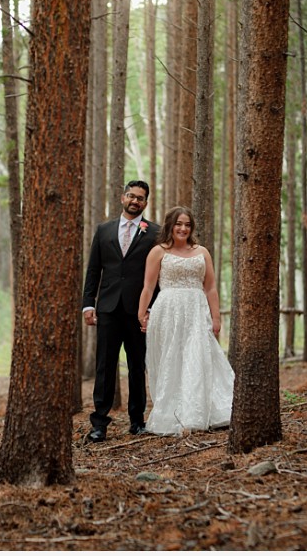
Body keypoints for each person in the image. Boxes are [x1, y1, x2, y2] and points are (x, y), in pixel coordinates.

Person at [137, 206, 234, 435]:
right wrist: (142, 314)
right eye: (179, 224)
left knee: (197, 356)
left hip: (196, 311)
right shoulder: (158, 252)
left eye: (187, 225)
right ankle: (173, 414)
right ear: (170, 226)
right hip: (168, 310)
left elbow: (210, 287)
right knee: (173, 359)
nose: (183, 228)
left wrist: (216, 317)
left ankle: (199, 412)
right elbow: (148, 286)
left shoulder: (202, 252)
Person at [82, 180, 161, 442]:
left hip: (138, 311)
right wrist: (88, 303)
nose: (135, 201)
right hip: (108, 309)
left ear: (146, 203)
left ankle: (137, 421)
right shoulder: (104, 231)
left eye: (140, 198)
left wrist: (151, 309)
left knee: (137, 366)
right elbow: (94, 270)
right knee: (105, 365)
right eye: (131, 196)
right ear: (122, 198)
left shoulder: (154, 233)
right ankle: (99, 424)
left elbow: (158, 276)